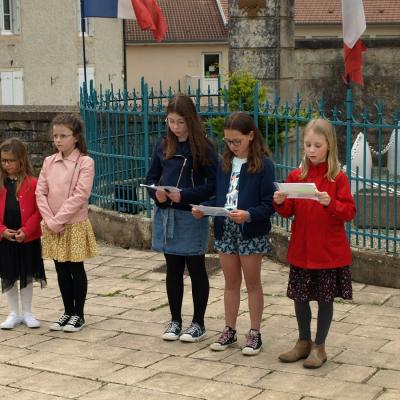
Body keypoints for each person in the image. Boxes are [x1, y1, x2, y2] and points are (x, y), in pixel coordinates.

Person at [273, 118, 356, 368]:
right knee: (300, 298)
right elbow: (289, 211)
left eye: (317, 145)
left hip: (328, 252)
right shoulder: (297, 175)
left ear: (329, 146)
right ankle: (303, 342)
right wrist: (279, 201)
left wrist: (331, 203)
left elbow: (349, 212)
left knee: (325, 299)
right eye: (307, 144)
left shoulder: (338, 178)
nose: (311, 150)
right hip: (303, 249)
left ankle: (319, 347)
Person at [193, 112, 275, 356]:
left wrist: (249, 214)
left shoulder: (263, 164)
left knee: (252, 284)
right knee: (230, 283)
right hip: (225, 228)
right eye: (228, 141)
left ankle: (255, 332)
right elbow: (220, 196)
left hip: (250, 231)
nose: (232, 146)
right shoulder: (224, 163)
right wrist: (204, 208)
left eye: (237, 141)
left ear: (251, 136)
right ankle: (229, 329)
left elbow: (269, 204)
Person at [145, 94, 218, 343]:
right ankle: (175, 319)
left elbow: (212, 186)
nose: (175, 127)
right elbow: (151, 178)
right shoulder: (163, 144)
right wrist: (158, 195)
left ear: (191, 121)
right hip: (167, 214)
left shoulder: (205, 148)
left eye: (180, 122)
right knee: (173, 268)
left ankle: (198, 322)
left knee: (196, 267)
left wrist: (184, 195)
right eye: (171, 121)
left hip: (191, 214)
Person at [36, 114, 97, 333]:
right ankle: (67, 310)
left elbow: (80, 195)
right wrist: (50, 221)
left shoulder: (85, 162)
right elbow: (40, 192)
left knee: (75, 268)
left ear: (76, 137)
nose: (58, 140)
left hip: (73, 224)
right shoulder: (48, 162)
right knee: (61, 268)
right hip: (53, 224)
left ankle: (78, 314)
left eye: (63, 136)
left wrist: (58, 219)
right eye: (55, 136)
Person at [0, 138, 46, 329]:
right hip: (5, 237)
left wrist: (26, 231)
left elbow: (38, 211)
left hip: (27, 237)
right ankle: (13, 313)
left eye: (10, 160)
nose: (6, 164)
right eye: (3, 160)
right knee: (8, 275)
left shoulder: (32, 183)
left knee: (26, 274)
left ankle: (27, 312)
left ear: (21, 160)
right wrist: (2, 231)